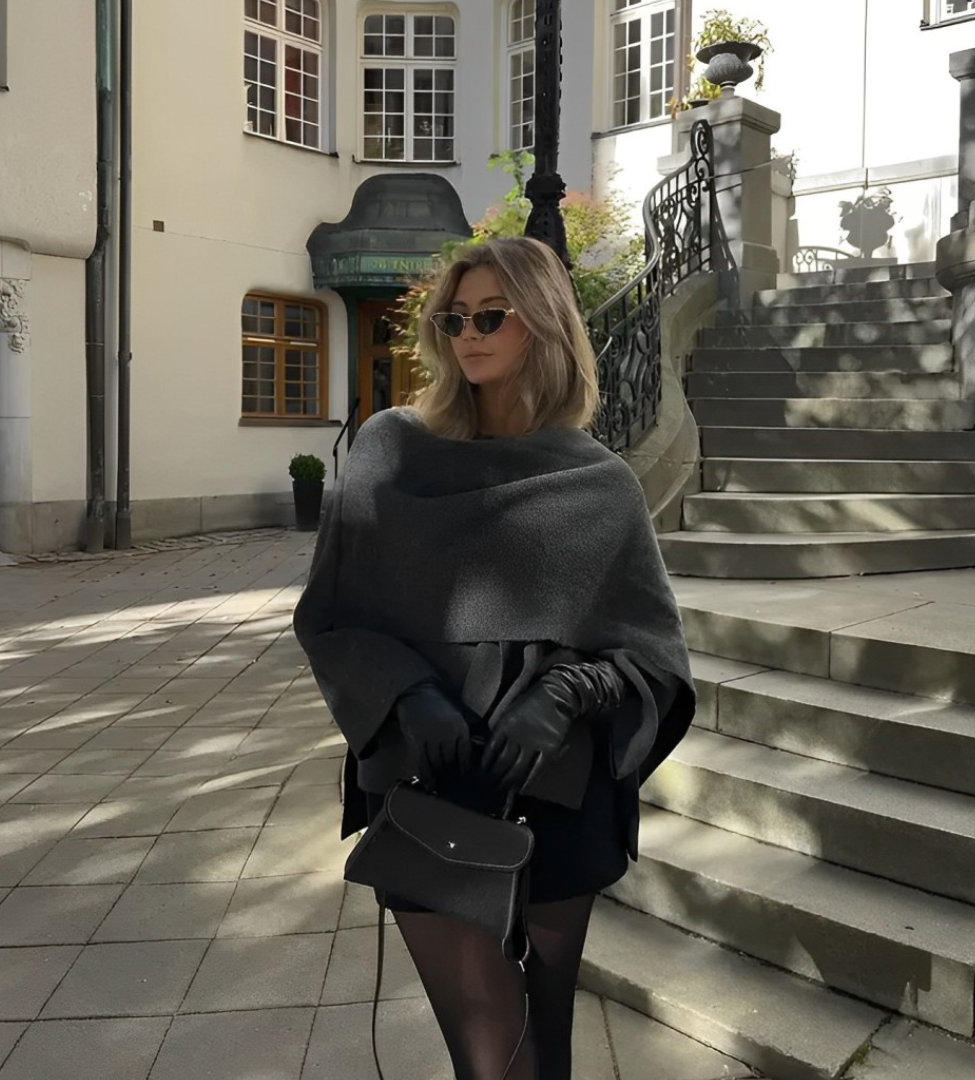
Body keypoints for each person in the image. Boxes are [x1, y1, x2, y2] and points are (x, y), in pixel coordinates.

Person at [295, 236, 695, 1080]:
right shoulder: (389, 451)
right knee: (492, 1054)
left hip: (556, 795)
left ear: (542, 325)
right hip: (428, 786)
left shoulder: (598, 482)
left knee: (546, 1048)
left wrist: (567, 691)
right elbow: (329, 617)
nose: (466, 334)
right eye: (453, 318)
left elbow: (654, 657)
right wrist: (407, 694)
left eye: (490, 316)